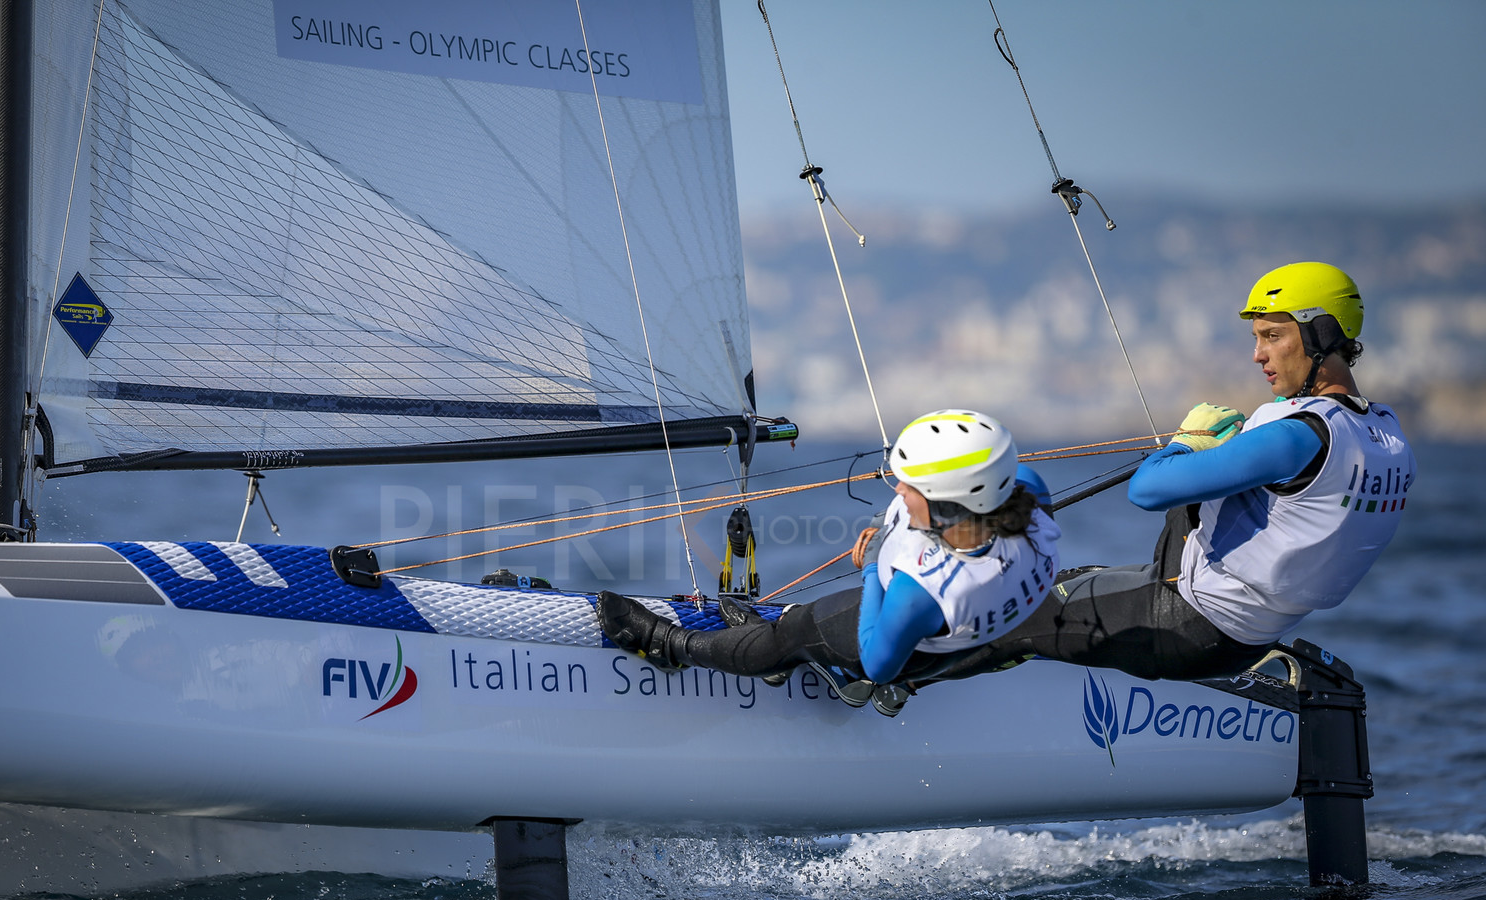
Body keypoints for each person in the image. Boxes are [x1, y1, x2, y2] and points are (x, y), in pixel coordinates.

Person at [937, 261, 1415, 683]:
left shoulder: (1295, 435)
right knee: (1073, 578)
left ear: (1322, 336)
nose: (1258, 355)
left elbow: (1146, 490)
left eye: (1273, 335)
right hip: (1242, 641)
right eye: (1256, 339)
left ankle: (886, 686)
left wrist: (1184, 443)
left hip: (1185, 622)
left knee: (1008, 608)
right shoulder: (1384, 435)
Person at [597, 410, 1062, 703]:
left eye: (909, 484)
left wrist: (879, 567)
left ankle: (672, 647)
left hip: (908, 653)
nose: (897, 488)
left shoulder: (919, 591)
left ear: (951, 501)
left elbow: (878, 660)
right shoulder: (1029, 499)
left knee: (800, 629)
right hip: (978, 637)